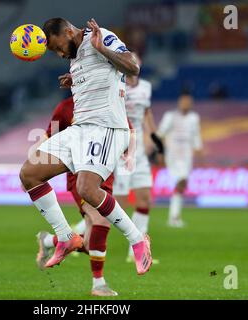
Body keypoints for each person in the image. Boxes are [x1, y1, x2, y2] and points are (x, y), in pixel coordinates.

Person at [19, 18, 152, 275]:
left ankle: (138, 240)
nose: (59, 53)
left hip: (107, 128)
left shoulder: (102, 37)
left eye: (59, 47)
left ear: (69, 31)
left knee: (86, 188)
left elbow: (132, 68)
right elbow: (98, 76)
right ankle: (65, 237)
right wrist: (77, 80)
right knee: (29, 173)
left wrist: (102, 49)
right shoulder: (75, 55)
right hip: (80, 129)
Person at [36, 97, 118, 296]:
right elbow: (49, 138)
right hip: (79, 176)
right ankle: (98, 284)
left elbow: (126, 132)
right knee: (102, 219)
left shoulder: (111, 104)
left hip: (105, 175)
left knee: (90, 245)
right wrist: (33, 170)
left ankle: (48, 241)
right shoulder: (65, 108)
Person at [112, 57, 164, 262]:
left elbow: (147, 114)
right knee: (119, 203)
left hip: (140, 152)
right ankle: (81, 232)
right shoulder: (115, 84)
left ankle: (137, 251)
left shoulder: (146, 87)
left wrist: (156, 139)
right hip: (121, 149)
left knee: (145, 199)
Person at [157, 91, 203, 227]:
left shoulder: (194, 118)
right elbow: (160, 133)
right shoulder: (170, 116)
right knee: (181, 181)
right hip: (173, 155)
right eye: (184, 102)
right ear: (179, 102)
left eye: (188, 102)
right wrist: (160, 151)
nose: (186, 104)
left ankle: (174, 217)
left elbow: (196, 135)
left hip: (187, 155)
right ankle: (174, 217)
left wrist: (199, 148)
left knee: (182, 184)